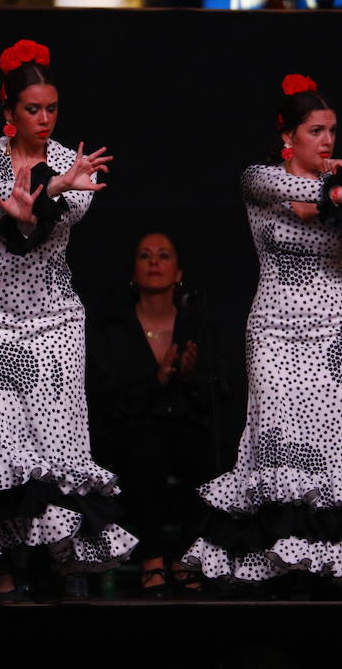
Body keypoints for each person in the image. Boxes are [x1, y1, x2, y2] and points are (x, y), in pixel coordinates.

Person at [0, 39, 137, 597]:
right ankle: (2, 564)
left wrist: (59, 186)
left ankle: (60, 564)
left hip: (55, 317)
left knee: (55, 443)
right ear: (8, 110)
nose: (44, 120)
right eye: (32, 110)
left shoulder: (76, 165)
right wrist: (43, 193)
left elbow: (38, 229)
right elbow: (11, 228)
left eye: (51, 109)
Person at [183, 73, 342, 585]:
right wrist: (341, 196)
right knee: (277, 436)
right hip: (274, 326)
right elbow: (293, 189)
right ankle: (275, 560)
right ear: (288, 135)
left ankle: (330, 565)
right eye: (315, 130)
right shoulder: (259, 179)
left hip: (332, 326)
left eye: (331, 130)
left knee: (331, 438)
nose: (327, 140)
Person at [89, 232, 224, 594]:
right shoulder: (113, 330)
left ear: (178, 271)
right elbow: (105, 398)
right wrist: (158, 379)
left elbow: (218, 395)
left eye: (163, 255)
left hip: (185, 428)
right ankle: (152, 559)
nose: (153, 262)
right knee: (146, 451)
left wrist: (191, 378)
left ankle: (185, 557)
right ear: (133, 270)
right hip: (129, 432)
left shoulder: (197, 325)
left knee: (206, 455)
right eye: (145, 255)